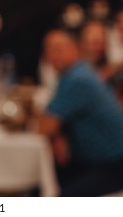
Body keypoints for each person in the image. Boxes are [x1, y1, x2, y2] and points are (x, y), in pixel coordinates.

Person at [39, 29, 123, 197]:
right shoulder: (75, 73)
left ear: (75, 49)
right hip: (93, 161)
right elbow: (51, 119)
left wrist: (55, 131)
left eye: (58, 49)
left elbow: (45, 126)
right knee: (44, 181)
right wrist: (58, 135)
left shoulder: (78, 79)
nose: (52, 55)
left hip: (112, 166)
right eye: (48, 50)